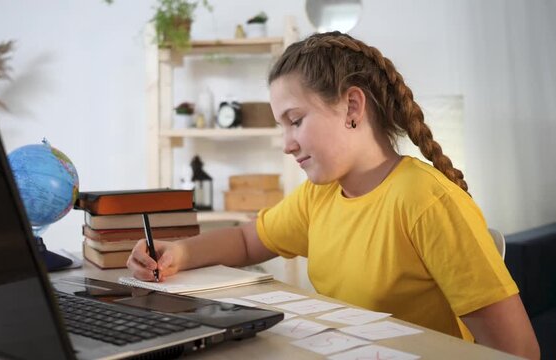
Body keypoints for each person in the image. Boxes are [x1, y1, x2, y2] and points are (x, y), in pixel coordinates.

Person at [128, 31, 540, 359]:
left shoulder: (426, 202)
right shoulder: (319, 197)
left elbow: (517, 351)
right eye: (281, 127)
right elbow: (246, 240)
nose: (287, 144)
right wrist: (179, 253)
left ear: (352, 108)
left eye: (295, 121)